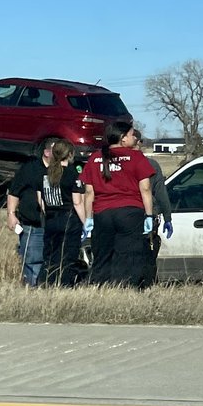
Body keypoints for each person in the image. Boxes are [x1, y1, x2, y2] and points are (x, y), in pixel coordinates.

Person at [81, 121, 156, 288]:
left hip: (102, 214)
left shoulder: (95, 158)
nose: (134, 137)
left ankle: (102, 286)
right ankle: (125, 286)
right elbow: (145, 188)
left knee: (103, 253)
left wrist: (88, 218)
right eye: (131, 135)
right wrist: (149, 215)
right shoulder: (136, 157)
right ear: (123, 138)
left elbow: (89, 192)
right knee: (128, 253)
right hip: (129, 212)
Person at [5, 138, 56, 287]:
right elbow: (14, 192)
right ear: (47, 152)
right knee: (32, 259)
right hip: (33, 224)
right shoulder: (30, 169)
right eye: (56, 149)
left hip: (56, 224)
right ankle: (32, 288)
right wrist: (11, 214)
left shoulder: (64, 169)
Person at [40, 139, 87, 287]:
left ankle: (47, 282)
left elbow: (41, 200)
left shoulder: (47, 174)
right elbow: (77, 202)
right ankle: (64, 284)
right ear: (70, 154)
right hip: (69, 219)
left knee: (51, 255)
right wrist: (86, 222)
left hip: (51, 219)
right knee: (67, 255)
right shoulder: (72, 174)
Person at [133, 131, 173, 285]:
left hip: (127, 214)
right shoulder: (150, 164)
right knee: (148, 252)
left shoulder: (117, 163)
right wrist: (167, 217)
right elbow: (161, 193)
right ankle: (147, 284)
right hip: (146, 215)